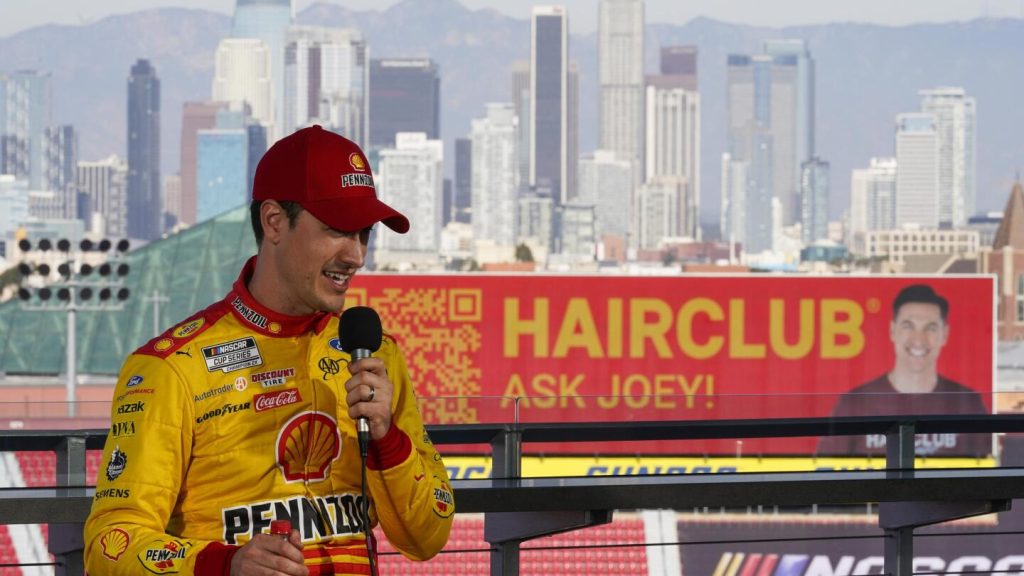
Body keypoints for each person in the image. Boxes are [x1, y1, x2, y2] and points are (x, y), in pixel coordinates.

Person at [84, 125, 454, 575]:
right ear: (275, 221)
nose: (356, 255)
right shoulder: (170, 369)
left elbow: (427, 537)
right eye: (337, 230)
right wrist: (227, 564)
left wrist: (387, 440)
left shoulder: (375, 356)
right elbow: (109, 547)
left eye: (364, 234)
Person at [817, 283, 988, 457]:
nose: (918, 340)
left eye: (930, 328)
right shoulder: (855, 403)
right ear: (892, 331)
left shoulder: (967, 403)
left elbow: (989, 473)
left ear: (944, 334)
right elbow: (825, 471)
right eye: (908, 326)